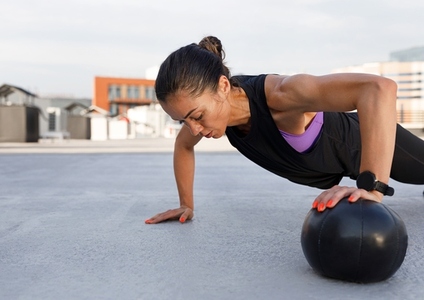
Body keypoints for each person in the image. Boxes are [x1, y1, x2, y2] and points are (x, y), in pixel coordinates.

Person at [145, 36, 424, 224]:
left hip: (372, 144)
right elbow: (183, 146)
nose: (193, 129)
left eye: (196, 116)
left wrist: (372, 187)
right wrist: (186, 204)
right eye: (183, 121)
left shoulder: (283, 95)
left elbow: (379, 89)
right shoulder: (214, 116)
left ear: (223, 86)